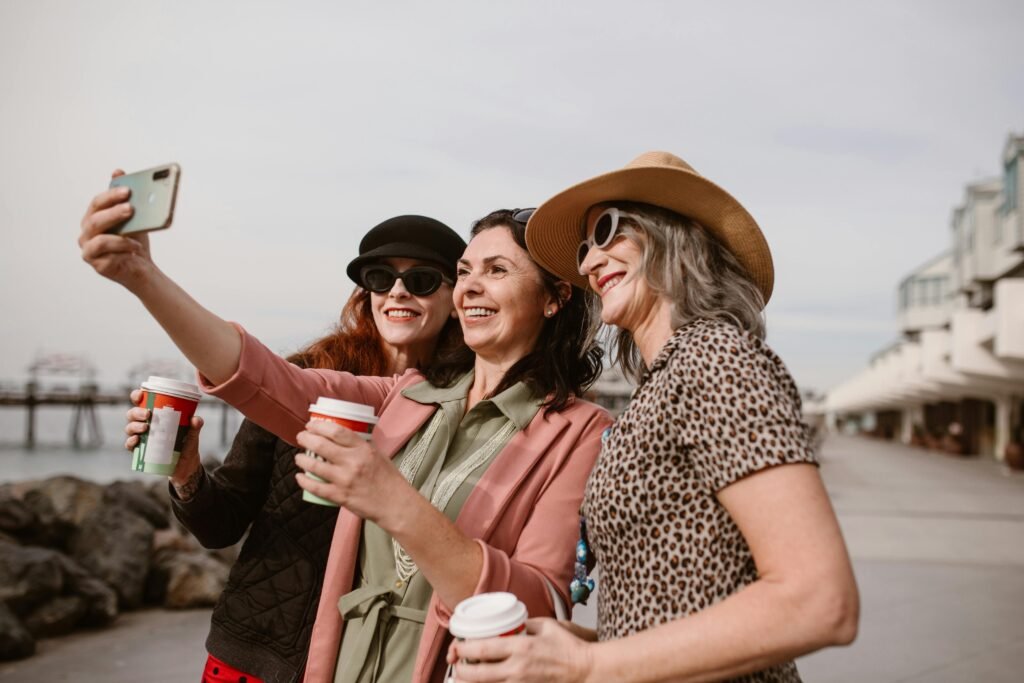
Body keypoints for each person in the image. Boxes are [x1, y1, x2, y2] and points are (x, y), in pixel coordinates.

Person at [79, 184, 611, 683]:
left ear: (554, 297)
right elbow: (260, 376)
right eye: (466, 269)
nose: (471, 285)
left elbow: (543, 603)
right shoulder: (403, 394)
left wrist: (391, 500)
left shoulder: (581, 431)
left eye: (496, 270)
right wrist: (141, 276)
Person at [448, 152, 860, 682]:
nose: (591, 262)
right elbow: (683, 604)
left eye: (607, 230)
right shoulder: (662, 382)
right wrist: (576, 644)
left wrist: (589, 665)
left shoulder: (715, 358)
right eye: (584, 248)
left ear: (675, 235)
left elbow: (821, 601)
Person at [122, 214, 466, 683]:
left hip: (377, 664)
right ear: (366, 293)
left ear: (455, 298)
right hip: (255, 651)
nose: (398, 292)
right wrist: (186, 474)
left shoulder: (464, 408)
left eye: (422, 280)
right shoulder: (302, 378)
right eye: (381, 278)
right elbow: (220, 525)